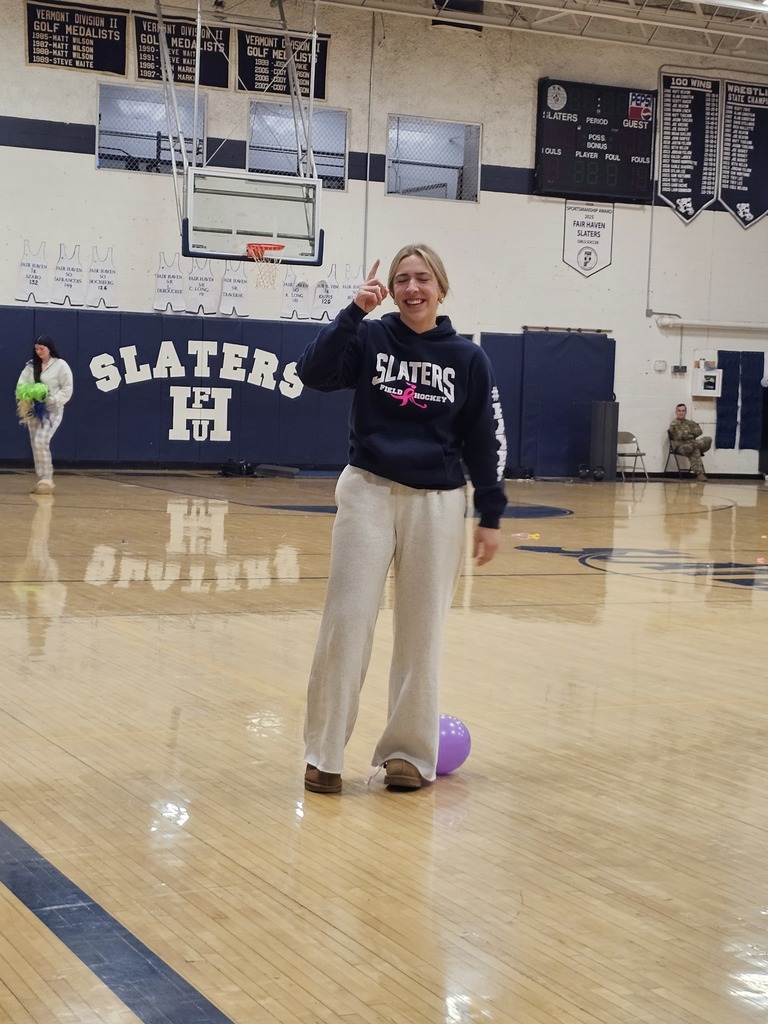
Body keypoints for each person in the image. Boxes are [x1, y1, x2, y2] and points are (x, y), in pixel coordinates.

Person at [296, 243, 507, 794]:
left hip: (437, 503)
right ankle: (324, 754)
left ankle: (407, 755)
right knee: (346, 623)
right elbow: (312, 372)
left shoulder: (468, 357)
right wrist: (353, 312)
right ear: (391, 287)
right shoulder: (369, 336)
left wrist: (491, 510)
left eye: (423, 278)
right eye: (402, 279)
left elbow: (481, 440)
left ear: (440, 287)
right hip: (368, 490)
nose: (413, 288)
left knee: (421, 635)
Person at [15, 335, 74, 494]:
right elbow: (21, 386)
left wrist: (53, 400)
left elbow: (67, 388)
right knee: (36, 444)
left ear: (50, 349)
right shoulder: (30, 367)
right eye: (37, 349)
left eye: (42, 349)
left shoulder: (61, 365)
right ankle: (42, 478)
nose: (39, 352)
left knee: (42, 440)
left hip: (52, 411)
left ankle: (48, 479)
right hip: (33, 410)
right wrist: (29, 393)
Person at [668, 403, 712, 482]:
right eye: (679, 411)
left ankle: (694, 446)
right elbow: (679, 435)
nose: (681, 412)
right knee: (693, 450)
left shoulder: (690, 423)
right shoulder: (673, 424)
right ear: (676, 412)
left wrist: (687, 434)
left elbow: (699, 431)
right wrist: (691, 433)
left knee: (708, 439)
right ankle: (699, 474)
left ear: (685, 412)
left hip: (692, 445)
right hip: (681, 447)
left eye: (683, 411)